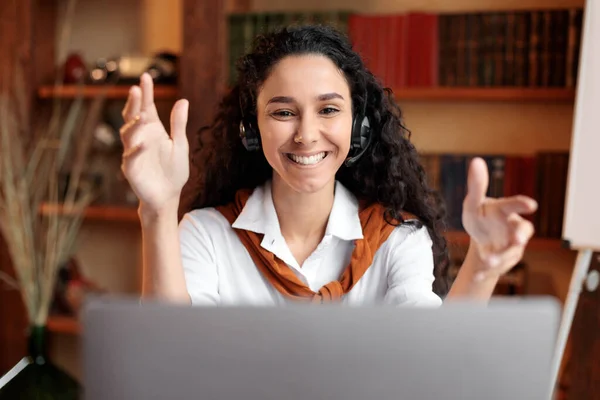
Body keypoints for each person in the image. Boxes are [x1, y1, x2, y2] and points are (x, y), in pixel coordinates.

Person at [118, 25, 537, 306]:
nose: (306, 134)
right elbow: (172, 363)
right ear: (251, 129)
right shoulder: (206, 235)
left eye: (328, 110)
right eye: (283, 113)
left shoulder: (397, 241)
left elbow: (431, 366)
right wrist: (158, 208)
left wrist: (482, 265)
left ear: (358, 125)